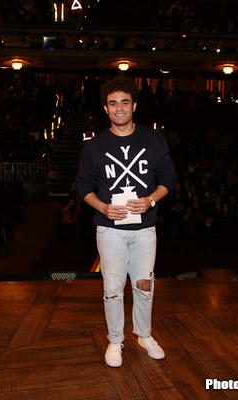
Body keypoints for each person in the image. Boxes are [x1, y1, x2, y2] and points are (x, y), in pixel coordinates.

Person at [75, 77, 177, 368]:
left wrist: (151, 200)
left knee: (145, 285)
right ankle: (115, 340)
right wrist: (104, 208)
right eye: (112, 103)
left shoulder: (153, 139)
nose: (119, 108)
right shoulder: (94, 146)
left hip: (145, 228)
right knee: (113, 287)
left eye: (124, 102)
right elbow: (83, 186)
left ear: (134, 106)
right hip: (110, 230)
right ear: (105, 109)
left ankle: (144, 335)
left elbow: (169, 177)